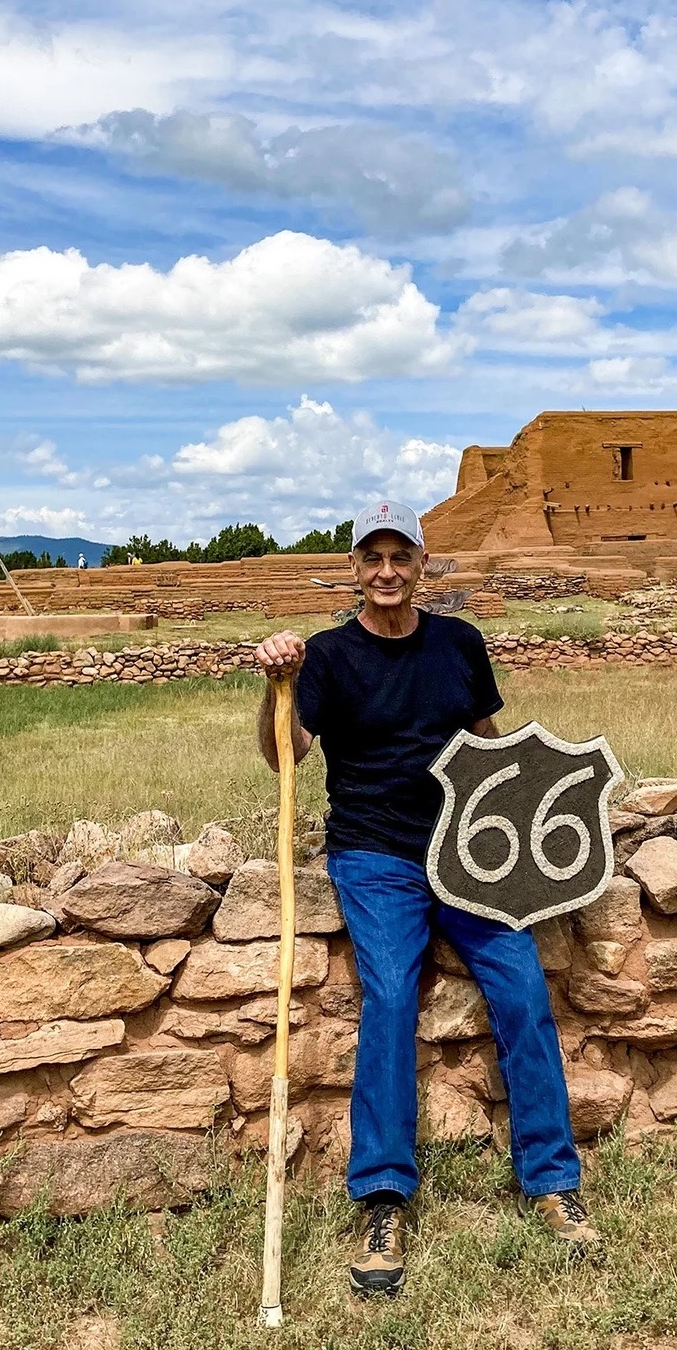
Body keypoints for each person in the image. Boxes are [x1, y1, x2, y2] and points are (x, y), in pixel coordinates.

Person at [254, 498, 597, 1298]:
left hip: (465, 852)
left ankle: (553, 1182)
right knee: (390, 994)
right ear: (353, 568)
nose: (385, 572)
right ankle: (382, 1197)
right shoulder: (331, 658)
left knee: (520, 987)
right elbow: (284, 758)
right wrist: (278, 683)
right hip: (374, 853)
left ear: (422, 564)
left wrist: (529, 835)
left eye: (399, 556)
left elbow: (488, 743)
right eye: (370, 558)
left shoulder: (459, 643)